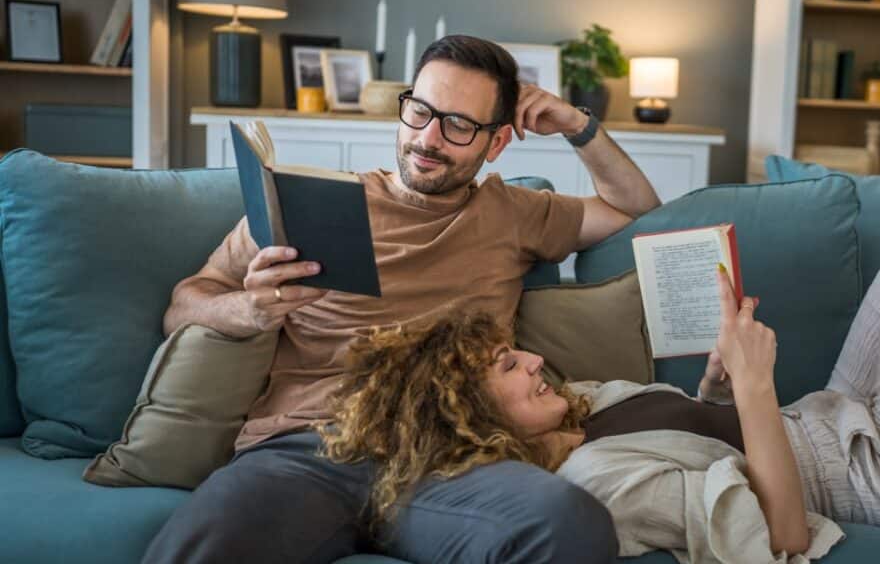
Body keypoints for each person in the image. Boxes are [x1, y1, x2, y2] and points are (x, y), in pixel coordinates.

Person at [320, 199, 880, 564]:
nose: (535, 358)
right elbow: (778, 537)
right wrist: (750, 385)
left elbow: (704, 437)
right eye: (511, 370)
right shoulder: (593, 485)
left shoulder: (584, 416)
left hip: (834, 416)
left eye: (518, 353)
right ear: (479, 422)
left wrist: (715, 376)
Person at [144, 35, 662, 564]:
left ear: (497, 143)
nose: (428, 138)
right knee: (202, 542)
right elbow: (184, 304)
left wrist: (579, 126)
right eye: (420, 111)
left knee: (569, 522)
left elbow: (637, 210)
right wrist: (246, 310)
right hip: (305, 448)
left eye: (459, 124)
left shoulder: (514, 212)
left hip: (450, 460)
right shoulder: (305, 203)